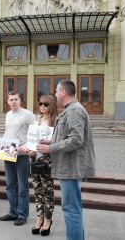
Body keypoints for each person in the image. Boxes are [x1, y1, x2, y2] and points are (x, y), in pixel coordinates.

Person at [36, 80, 96, 240]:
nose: (55, 94)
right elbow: (67, 136)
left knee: (71, 210)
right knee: (73, 209)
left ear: (63, 93)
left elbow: (76, 139)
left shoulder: (74, 111)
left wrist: (50, 148)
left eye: (56, 91)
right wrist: (51, 141)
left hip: (70, 168)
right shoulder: (71, 110)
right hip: (68, 166)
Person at [0, 91, 36, 226]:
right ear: (7, 101)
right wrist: (0, 144)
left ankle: (22, 214)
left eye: (16, 99)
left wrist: (26, 146)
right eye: (11, 100)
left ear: (20, 100)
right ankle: (12, 212)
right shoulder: (8, 114)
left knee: (22, 187)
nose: (13, 102)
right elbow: (7, 132)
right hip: (8, 153)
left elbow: (34, 133)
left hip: (22, 156)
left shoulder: (28, 114)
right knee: (10, 185)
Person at [28, 95, 58, 236]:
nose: (42, 106)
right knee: (37, 190)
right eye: (40, 103)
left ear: (51, 105)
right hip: (35, 158)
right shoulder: (37, 119)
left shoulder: (55, 121)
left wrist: (49, 143)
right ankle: (39, 217)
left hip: (47, 159)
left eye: (45, 104)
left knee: (47, 191)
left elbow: (58, 141)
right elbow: (31, 139)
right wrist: (28, 149)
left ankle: (47, 219)